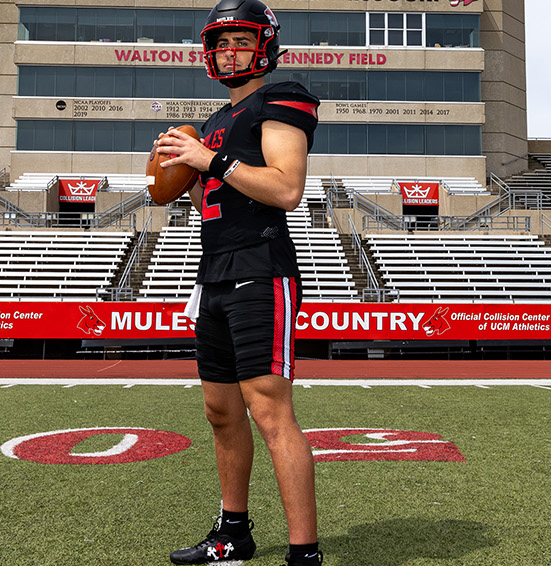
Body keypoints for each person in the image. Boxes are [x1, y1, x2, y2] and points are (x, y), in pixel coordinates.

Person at [151, 1, 321, 565]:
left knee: (271, 411)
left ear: (265, 44)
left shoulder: (281, 97)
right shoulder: (213, 122)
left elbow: (284, 188)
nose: (229, 50)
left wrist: (209, 157)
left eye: (241, 41)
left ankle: (304, 553)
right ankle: (233, 534)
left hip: (260, 267)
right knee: (219, 410)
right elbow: (212, 200)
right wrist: (181, 168)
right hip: (214, 271)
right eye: (220, 43)